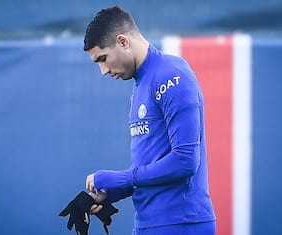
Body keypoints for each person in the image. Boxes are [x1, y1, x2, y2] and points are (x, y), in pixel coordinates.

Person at [83, 6, 216, 235]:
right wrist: (112, 192)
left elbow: (185, 161)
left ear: (123, 41)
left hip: (180, 224)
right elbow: (150, 167)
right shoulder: (140, 86)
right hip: (149, 225)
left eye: (103, 59)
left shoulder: (171, 75)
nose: (103, 70)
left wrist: (120, 178)